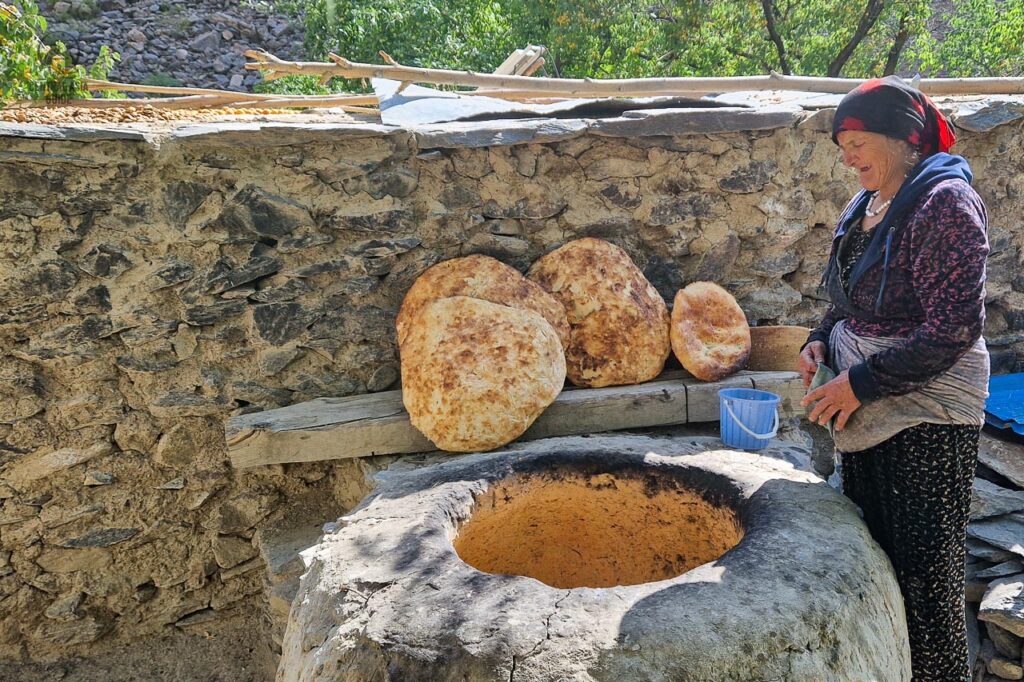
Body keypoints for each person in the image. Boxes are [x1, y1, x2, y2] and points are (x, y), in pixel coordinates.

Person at [798, 76, 989, 681]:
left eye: (858, 141)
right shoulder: (870, 203)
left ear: (904, 138)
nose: (847, 156)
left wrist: (859, 384)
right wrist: (821, 337)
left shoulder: (944, 203)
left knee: (924, 575)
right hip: (873, 404)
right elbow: (851, 292)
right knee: (874, 557)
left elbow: (953, 327)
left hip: (925, 412)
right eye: (841, 146)